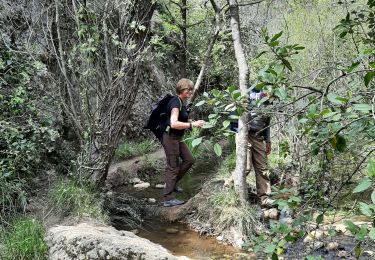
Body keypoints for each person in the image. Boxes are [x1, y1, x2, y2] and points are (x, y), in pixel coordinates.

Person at [162, 78, 205, 207]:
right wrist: (192, 124)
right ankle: (168, 198)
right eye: (188, 89)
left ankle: (172, 184)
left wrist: (191, 121)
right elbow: (174, 123)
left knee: (189, 160)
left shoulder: (181, 102)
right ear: (181, 89)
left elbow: (181, 118)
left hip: (177, 138)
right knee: (173, 167)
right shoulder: (176, 102)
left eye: (191, 89)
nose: (191, 92)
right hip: (170, 138)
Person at [246, 89, 273, 207]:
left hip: (259, 137)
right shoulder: (248, 93)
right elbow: (235, 113)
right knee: (246, 167)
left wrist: (268, 141)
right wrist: (238, 132)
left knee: (263, 168)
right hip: (245, 135)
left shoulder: (270, 100)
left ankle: (264, 198)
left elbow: (267, 123)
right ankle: (229, 184)